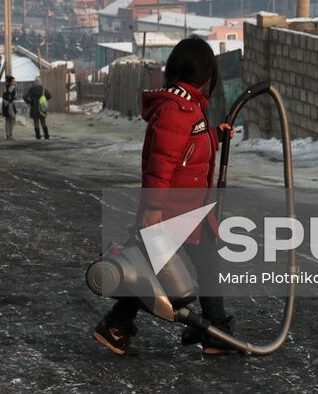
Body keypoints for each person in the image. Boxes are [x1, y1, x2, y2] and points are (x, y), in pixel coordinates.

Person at [93, 37, 234, 357]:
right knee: (171, 268)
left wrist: (216, 134)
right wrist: (154, 209)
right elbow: (161, 164)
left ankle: (118, 326)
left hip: (188, 209)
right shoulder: (177, 109)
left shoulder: (189, 105)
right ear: (204, 73)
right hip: (173, 212)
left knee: (154, 270)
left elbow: (187, 147)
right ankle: (215, 330)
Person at [0, 75, 18, 140]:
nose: (15, 81)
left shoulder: (4, 87)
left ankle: (8, 135)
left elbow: (4, 95)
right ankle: (10, 135)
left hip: (4, 104)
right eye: (14, 80)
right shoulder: (12, 87)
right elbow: (9, 96)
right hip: (10, 105)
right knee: (12, 120)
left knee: (7, 120)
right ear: (11, 81)